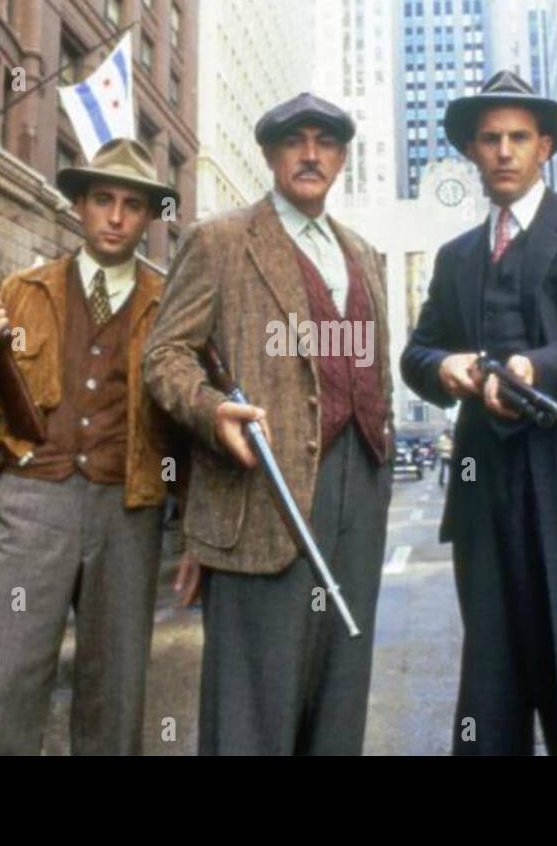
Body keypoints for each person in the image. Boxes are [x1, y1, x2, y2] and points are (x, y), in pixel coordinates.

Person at [401, 71, 557, 755]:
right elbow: (416, 354)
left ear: (544, 145)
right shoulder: (456, 258)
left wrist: (537, 368)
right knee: (491, 687)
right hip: (486, 496)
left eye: (519, 137)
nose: (504, 150)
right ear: (473, 153)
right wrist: (444, 368)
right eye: (490, 139)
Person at [143, 93, 394, 755]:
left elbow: (370, 371)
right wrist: (209, 409)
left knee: (339, 694)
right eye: (295, 141)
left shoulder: (365, 254)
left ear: (341, 157)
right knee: (255, 705)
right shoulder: (221, 240)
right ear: (270, 154)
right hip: (263, 488)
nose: (310, 154)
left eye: (326, 142)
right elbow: (165, 354)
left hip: (359, 488)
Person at [0, 138, 180, 755]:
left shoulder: (173, 302)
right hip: (31, 502)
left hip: (130, 509)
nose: (116, 216)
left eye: (133, 203)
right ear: (80, 206)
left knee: (114, 699)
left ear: (149, 217)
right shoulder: (23, 291)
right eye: (103, 199)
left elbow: (188, 419)